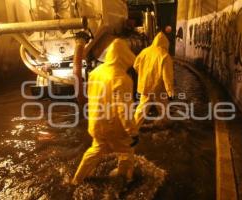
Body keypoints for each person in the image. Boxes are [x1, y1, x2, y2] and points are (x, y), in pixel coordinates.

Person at [72, 39, 139, 185]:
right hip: (114, 127)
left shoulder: (96, 72)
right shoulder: (122, 78)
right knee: (127, 152)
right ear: (124, 56)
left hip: (97, 123)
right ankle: (124, 178)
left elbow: (91, 96)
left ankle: (77, 179)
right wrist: (132, 131)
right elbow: (123, 108)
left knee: (94, 151)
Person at [134, 30, 175, 129]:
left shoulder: (144, 51)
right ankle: (166, 126)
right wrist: (170, 93)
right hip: (158, 89)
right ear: (166, 43)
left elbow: (135, 65)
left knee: (141, 109)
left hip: (145, 87)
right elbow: (167, 77)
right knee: (163, 109)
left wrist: (142, 75)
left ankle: (133, 128)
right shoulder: (165, 55)